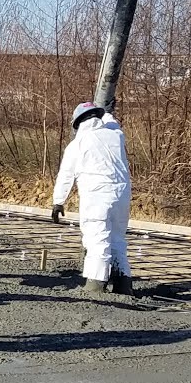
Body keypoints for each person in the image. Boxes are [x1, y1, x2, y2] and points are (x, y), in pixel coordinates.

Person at [52, 101, 133, 294]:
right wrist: (107, 112)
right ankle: (123, 284)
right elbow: (113, 123)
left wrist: (58, 202)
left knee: (97, 239)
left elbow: (66, 175)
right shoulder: (116, 136)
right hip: (122, 196)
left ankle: (95, 285)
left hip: (96, 197)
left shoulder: (77, 144)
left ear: (78, 123)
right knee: (117, 240)